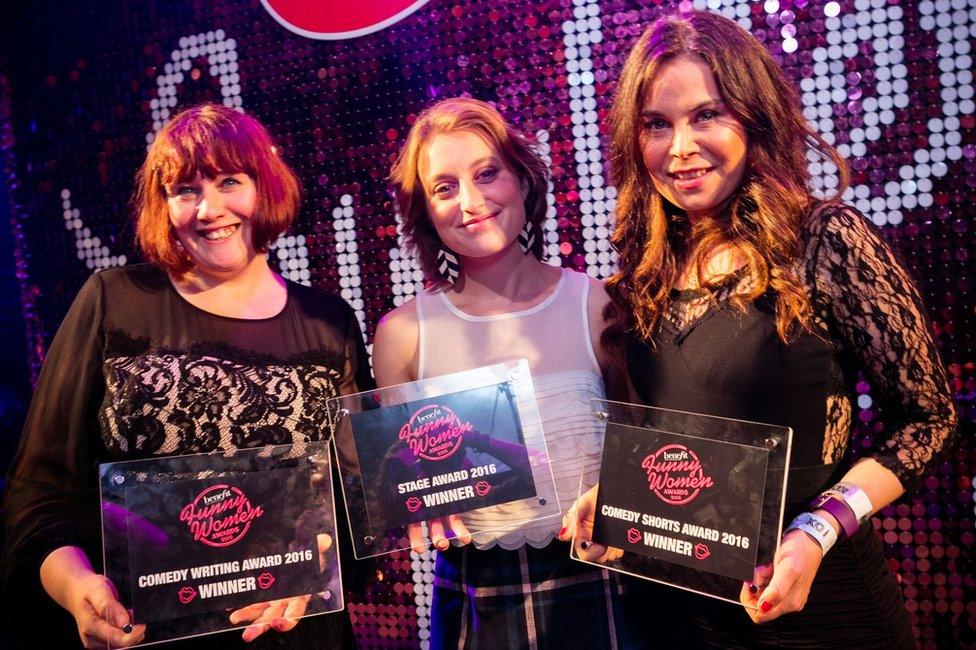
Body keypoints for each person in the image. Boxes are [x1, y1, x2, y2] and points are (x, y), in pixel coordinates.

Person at [563, 9, 958, 649]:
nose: (680, 146)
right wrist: (615, 496)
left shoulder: (825, 241)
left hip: (817, 614)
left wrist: (821, 527)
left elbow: (930, 418)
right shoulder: (643, 273)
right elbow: (681, 438)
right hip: (677, 620)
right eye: (657, 125)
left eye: (707, 115)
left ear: (754, 115)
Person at [1, 103, 371, 648]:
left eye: (229, 182)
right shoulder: (114, 301)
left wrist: (318, 574)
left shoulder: (327, 321)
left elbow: (356, 495)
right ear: (164, 203)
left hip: (293, 633)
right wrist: (76, 585)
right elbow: (42, 488)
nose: (209, 209)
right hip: (141, 630)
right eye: (186, 190)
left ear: (263, 186)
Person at [372, 97, 644, 648]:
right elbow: (398, 486)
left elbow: (643, 449)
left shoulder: (595, 304)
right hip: (477, 605)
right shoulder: (403, 335)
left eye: (487, 173)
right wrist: (410, 508)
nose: (470, 202)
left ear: (522, 180)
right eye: (444, 187)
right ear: (424, 211)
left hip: (608, 589)